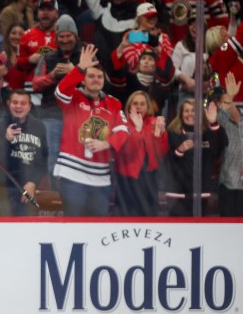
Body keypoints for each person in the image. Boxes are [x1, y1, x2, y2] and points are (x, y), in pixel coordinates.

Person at [53, 44, 130, 217]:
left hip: (100, 179)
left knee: (97, 230)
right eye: (91, 76)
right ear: (83, 79)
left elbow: (124, 131)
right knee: (73, 226)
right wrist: (80, 68)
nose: (96, 79)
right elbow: (60, 92)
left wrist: (106, 143)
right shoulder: (73, 97)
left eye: (99, 77)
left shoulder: (113, 103)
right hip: (72, 175)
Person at [32, 14, 81, 175]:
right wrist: (52, 76)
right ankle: (53, 197)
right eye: (61, 36)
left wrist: (75, 72)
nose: (65, 40)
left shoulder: (86, 54)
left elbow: (97, 81)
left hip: (79, 115)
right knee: (52, 159)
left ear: (75, 36)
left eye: (68, 36)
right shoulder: (47, 57)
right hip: (51, 114)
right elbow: (36, 84)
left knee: (76, 159)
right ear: (56, 37)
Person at [0, 89, 48, 216]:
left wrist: (33, 183)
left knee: (28, 230)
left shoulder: (39, 127)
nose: (19, 106)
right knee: (2, 228)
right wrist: (6, 140)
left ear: (30, 106)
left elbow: (43, 160)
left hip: (27, 188)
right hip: (1, 187)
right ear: (9, 103)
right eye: (15, 102)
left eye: (23, 103)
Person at [164, 99, 226, 216]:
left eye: (193, 110)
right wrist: (179, 151)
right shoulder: (172, 132)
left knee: (196, 231)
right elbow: (165, 161)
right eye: (186, 111)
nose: (190, 114)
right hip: (177, 193)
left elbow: (222, 145)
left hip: (200, 193)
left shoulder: (208, 132)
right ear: (181, 114)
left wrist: (213, 123)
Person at [112, 91, 169, 216]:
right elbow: (125, 151)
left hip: (148, 179)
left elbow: (161, 153)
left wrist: (159, 136)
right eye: (135, 103)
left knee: (149, 218)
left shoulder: (155, 123)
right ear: (129, 107)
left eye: (142, 104)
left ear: (148, 106)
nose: (139, 107)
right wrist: (137, 130)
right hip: (126, 180)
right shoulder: (122, 124)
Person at [84, 0, 138, 64]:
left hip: (128, 66)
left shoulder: (139, 14)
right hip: (102, 66)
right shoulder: (101, 8)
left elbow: (147, 36)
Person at [216, 72, 243, 216]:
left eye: (228, 100)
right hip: (228, 183)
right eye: (223, 102)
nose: (226, 104)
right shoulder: (224, 121)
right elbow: (218, 116)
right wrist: (230, 97)